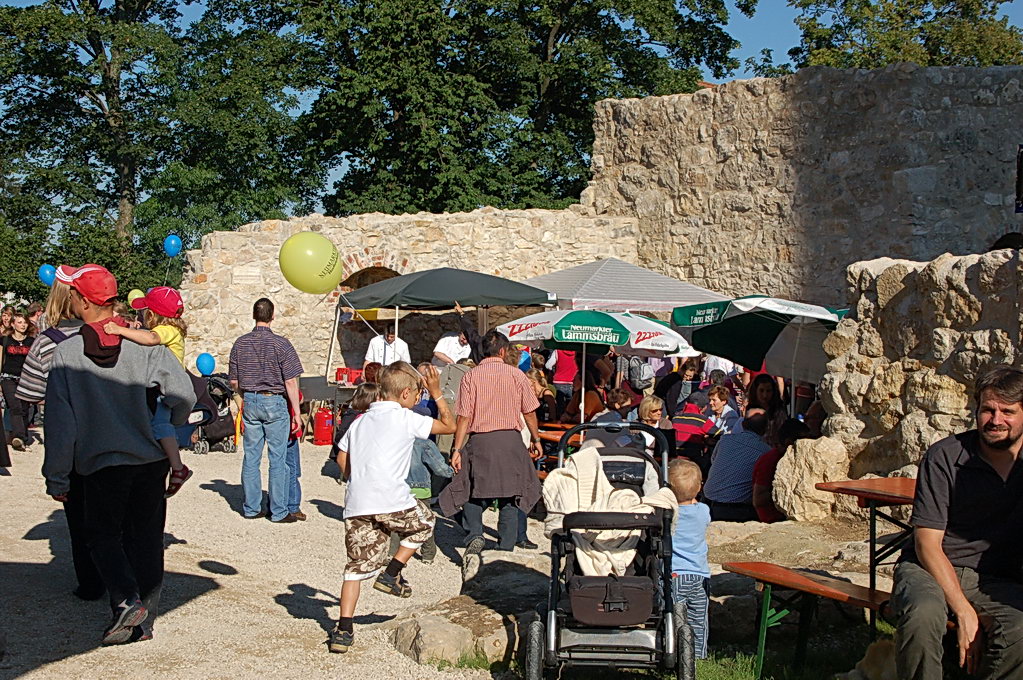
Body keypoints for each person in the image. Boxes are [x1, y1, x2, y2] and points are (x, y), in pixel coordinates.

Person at [42, 264, 195, 645]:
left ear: (82, 300)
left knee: (101, 536)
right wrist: (169, 424)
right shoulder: (146, 345)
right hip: (149, 459)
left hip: (101, 460)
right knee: (147, 539)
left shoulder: (67, 354)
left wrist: (57, 475)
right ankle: (144, 624)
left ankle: (126, 600)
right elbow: (184, 394)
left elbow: (61, 424)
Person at [892, 366, 1023, 679]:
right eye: (988, 410)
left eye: (1008, 412)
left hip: (995, 576)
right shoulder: (945, 457)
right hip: (931, 567)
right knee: (923, 616)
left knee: (1019, 627)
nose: (996, 420)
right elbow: (927, 544)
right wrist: (964, 610)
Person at [329, 362, 455, 654]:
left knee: (355, 568)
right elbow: (449, 426)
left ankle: (343, 630)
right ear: (406, 394)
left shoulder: (360, 421)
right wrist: (437, 393)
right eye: (418, 394)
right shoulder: (405, 418)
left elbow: (342, 455)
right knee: (425, 522)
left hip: (358, 502)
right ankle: (392, 572)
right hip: (391, 498)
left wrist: (355, 478)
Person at [17, 267, 98, 599]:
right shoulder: (114, 336)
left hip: (72, 441)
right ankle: (119, 580)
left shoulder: (47, 342)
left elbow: (31, 394)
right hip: (111, 435)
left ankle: (91, 582)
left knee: (78, 517)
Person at [439, 330, 543, 561]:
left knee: (473, 491)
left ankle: (475, 533)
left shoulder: (471, 376)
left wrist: (456, 449)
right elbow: (529, 412)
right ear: (503, 351)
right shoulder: (517, 375)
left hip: (481, 441)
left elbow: (464, 417)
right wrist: (536, 439)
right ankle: (505, 550)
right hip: (510, 440)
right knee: (511, 496)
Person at [103, 286, 192, 497]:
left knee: (160, 425)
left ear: (152, 314)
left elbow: (151, 339)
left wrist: (120, 330)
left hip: (165, 387)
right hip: (162, 385)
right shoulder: (172, 329)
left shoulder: (167, 330)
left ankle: (178, 467)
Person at [228, 297, 303, 523]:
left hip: (250, 399)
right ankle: (278, 511)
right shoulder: (281, 344)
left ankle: (252, 508)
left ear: (254, 315)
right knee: (277, 458)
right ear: (273, 316)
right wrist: (297, 412)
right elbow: (290, 381)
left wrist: (244, 396)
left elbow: (234, 382)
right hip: (274, 401)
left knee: (251, 457)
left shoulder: (240, 344)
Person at [668, 458, 711, 659]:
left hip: (675, 574)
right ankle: (698, 654)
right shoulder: (703, 511)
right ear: (699, 487)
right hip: (699, 575)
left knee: (674, 617)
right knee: (698, 618)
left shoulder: (669, 514)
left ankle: (675, 650)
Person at [702, 409, 771, 522]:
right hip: (739, 511)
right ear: (766, 428)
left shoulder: (725, 440)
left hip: (710, 504)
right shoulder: (765, 451)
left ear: (743, 424)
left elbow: (714, 461)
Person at [751, 419, 810, 523]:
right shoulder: (771, 460)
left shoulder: (793, 459)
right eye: (803, 441)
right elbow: (758, 500)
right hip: (773, 519)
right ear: (789, 443)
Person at [2, 313, 35, 450]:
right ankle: (19, 437)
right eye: (19, 322)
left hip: (25, 378)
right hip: (8, 377)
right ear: (13, 324)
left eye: (25, 322)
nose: (23, 325)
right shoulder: (5, 340)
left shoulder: (31, 341)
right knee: (15, 406)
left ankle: (21, 436)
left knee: (25, 408)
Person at [670, 392, 723, 477]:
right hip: (693, 460)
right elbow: (720, 435)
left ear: (686, 404)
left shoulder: (675, 418)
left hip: (675, 459)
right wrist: (706, 439)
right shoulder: (702, 420)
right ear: (704, 408)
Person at [545, 348, 578, 413]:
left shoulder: (557, 351)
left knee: (560, 406)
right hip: (572, 382)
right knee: (571, 407)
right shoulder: (577, 353)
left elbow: (548, 365)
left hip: (558, 382)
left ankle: (560, 418)